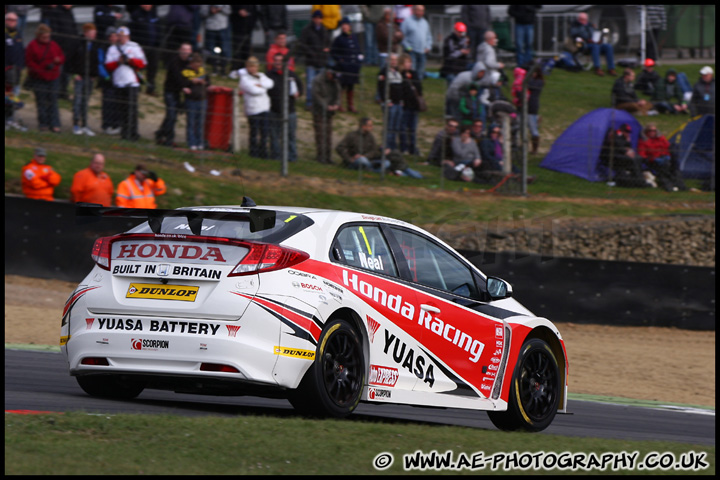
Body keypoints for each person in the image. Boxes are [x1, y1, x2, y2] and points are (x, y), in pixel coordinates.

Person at [336, 117, 421, 177]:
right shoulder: (352, 136)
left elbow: (373, 150)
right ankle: (386, 171)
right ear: (363, 126)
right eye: (370, 125)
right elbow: (340, 148)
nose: (372, 128)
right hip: (357, 161)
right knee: (363, 161)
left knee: (387, 163)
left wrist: (377, 151)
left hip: (369, 160)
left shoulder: (370, 137)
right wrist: (349, 159)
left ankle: (401, 173)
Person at [105, 26, 147, 141]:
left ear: (128, 36)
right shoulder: (112, 49)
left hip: (131, 82)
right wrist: (118, 62)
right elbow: (108, 65)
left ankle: (133, 133)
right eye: (119, 36)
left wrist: (130, 61)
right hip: (119, 83)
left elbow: (142, 63)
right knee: (121, 109)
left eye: (123, 36)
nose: (121, 38)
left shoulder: (134, 46)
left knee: (131, 109)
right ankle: (124, 132)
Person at [25, 24, 65, 133]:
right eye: (44, 37)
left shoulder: (53, 45)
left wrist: (58, 61)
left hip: (53, 77)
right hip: (39, 78)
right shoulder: (32, 45)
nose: (46, 39)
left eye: (48, 37)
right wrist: (42, 70)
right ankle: (43, 124)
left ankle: (55, 124)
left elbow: (61, 56)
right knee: (41, 101)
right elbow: (30, 62)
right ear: (38, 36)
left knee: (53, 101)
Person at [235, 56, 274, 158]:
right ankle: (253, 152)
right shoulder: (244, 79)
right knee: (254, 132)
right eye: (251, 67)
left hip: (264, 108)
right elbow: (254, 91)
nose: (253, 69)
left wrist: (260, 85)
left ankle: (263, 152)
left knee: (264, 133)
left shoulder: (261, 75)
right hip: (253, 109)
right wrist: (263, 87)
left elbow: (270, 83)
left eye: (255, 67)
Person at [267, 53, 303, 162]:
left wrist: (298, 93)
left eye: (280, 60)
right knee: (274, 135)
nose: (278, 62)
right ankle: (276, 156)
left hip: (290, 110)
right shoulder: (269, 75)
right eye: (276, 60)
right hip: (274, 110)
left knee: (290, 135)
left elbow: (300, 88)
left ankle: (291, 157)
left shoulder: (291, 75)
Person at [66, 23, 101, 136]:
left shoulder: (95, 45)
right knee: (78, 100)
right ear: (86, 33)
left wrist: (94, 74)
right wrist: (74, 73)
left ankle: (85, 124)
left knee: (85, 101)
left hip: (89, 77)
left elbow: (96, 61)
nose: (93, 35)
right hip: (79, 76)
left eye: (94, 33)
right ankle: (76, 123)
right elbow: (70, 59)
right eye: (91, 33)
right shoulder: (77, 43)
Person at [155, 43, 193, 146]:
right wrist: (184, 87)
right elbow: (178, 77)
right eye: (184, 49)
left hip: (178, 93)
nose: (186, 52)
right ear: (179, 50)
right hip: (170, 91)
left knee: (171, 115)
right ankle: (169, 139)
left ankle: (160, 133)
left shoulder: (190, 63)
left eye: (188, 50)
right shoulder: (174, 62)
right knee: (172, 115)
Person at [637, 123, 686, 191]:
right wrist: (650, 158)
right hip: (654, 160)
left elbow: (667, 146)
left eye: (654, 130)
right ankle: (670, 185)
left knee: (675, 165)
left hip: (665, 157)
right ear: (647, 132)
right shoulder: (644, 141)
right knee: (664, 167)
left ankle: (680, 185)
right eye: (650, 131)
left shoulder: (661, 138)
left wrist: (668, 154)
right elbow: (642, 154)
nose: (652, 132)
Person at [298, 10, 330, 109]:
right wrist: (311, 53)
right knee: (310, 84)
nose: (318, 20)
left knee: (320, 84)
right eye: (316, 18)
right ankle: (309, 102)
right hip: (311, 61)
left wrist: (326, 49)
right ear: (313, 19)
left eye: (319, 18)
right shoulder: (307, 30)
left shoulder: (324, 30)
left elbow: (328, 43)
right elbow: (302, 44)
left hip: (321, 61)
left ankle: (318, 103)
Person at [599, 123, 648, 187]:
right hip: (613, 156)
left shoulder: (625, 137)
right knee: (633, 159)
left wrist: (628, 142)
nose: (628, 133)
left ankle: (639, 178)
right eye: (626, 131)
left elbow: (627, 147)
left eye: (628, 132)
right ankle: (639, 180)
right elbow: (618, 144)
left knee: (638, 158)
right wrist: (626, 149)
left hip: (621, 154)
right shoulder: (616, 134)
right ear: (622, 130)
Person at [331, 18, 363, 113]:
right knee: (342, 86)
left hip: (353, 66)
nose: (344, 27)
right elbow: (333, 52)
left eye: (346, 25)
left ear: (349, 26)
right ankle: (339, 104)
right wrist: (340, 60)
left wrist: (360, 58)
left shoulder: (353, 37)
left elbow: (357, 49)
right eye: (343, 25)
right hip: (344, 67)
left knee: (351, 86)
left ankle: (350, 105)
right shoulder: (339, 39)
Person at [569, 12, 616, 77]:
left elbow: (597, 32)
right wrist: (586, 40)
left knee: (608, 46)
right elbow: (574, 36)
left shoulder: (590, 25)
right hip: (584, 45)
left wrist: (600, 39)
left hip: (595, 43)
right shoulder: (575, 26)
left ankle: (611, 68)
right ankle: (597, 68)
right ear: (579, 19)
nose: (583, 21)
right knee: (595, 47)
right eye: (582, 19)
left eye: (585, 19)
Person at [311, 69, 341, 164]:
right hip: (319, 111)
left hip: (330, 111)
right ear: (328, 73)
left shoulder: (335, 80)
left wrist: (336, 104)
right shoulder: (318, 80)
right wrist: (326, 106)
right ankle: (321, 156)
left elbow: (338, 93)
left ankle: (328, 156)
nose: (334, 79)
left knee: (328, 134)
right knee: (320, 134)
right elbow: (316, 95)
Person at [128, 6, 160, 95]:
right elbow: (132, 31)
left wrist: (158, 42)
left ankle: (150, 88)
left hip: (153, 46)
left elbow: (158, 28)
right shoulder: (136, 15)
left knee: (153, 68)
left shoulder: (154, 14)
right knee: (138, 67)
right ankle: (137, 86)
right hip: (140, 47)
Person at [182, 52, 209, 151]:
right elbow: (182, 82)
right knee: (191, 122)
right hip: (191, 100)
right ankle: (191, 143)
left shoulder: (203, 71)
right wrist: (191, 81)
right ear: (191, 63)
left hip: (202, 100)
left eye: (199, 64)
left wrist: (203, 82)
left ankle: (200, 142)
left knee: (200, 123)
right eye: (196, 64)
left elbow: (208, 82)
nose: (198, 66)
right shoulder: (185, 71)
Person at [377, 54, 403, 150]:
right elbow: (381, 87)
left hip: (398, 103)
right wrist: (386, 100)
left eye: (395, 60)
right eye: (392, 59)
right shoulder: (384, 72)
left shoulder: (398, 72)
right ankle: (386, 145)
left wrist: (401, 100)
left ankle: (393, 146)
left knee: (396, 126)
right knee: (389, 126)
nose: (394, 61)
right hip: (390, 103)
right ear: (387, 60)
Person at [398, 53, 423, 155]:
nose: (409, 64)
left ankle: (413, 148)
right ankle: (404, 147)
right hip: (405, 106)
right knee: (403, 127)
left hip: (414, 106)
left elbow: (419, 87)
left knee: (413, 129)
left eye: (410, 62)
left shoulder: (414, 74)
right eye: (407, 62)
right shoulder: (400, 75)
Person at [5, 12, 26, 130]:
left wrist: (20, 67)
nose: (12, 22)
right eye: (10, 20)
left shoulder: (18, 35)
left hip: (15, 74)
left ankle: (10, 120)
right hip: (6, 72)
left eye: (14, 20)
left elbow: (21, 53)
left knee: (13, 99)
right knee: (9, 98)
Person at [400, 5, 432, 81]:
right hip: (411, 51)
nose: (420, 12)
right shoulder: (407, 21)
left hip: (422, 51)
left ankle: (418, 87)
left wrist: (428, 47)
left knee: (420, 72)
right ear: (413, 10)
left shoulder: (425, 22)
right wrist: (408, 47)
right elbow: (402, 36)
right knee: (411, 71)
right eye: (418, 10)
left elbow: (429, 36)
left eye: (422, 11)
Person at [201, 5, 231, 76]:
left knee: (224, 49)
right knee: (211, 50)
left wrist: (220, 9)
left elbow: (229, 11)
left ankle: (223, 70)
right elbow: (202, 13)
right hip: (210, 27)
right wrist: (210, 11)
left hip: (223, 27)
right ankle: (214, 69)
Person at [440, 22, 471, 86]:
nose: (461, 34)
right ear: (455, 30)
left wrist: (466, 50)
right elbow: (449, 55)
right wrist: (461, 52)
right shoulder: (449, 40)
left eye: (462, 32)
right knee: (453, 86)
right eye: (459, 32)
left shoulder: (465, 40)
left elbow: (468, 53)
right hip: (450, 69)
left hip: (462, 68)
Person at [229, 6, 258, 71]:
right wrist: (238, 11)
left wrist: (251, 26)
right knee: (237, 51)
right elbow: (231, 11)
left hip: (248, 29)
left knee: (246, 51)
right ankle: (235, 68)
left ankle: (246, 68)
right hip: (237, 29)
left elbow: (255, 13)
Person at [526, 68, 545, 154]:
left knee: (533, 128)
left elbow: (529, 85)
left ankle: (535, 149)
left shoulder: (539, 82)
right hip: (528, 105)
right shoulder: (534, 81)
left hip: (532, 106)